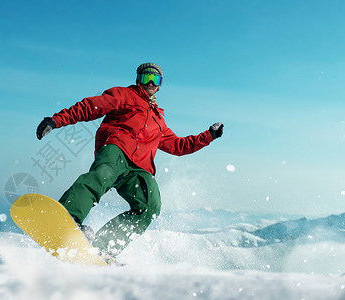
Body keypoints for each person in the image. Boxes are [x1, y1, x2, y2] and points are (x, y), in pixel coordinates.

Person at [35, 62, 223, 260]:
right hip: (117, 149)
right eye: (146, 77)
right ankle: (68, 218)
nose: (150, 82)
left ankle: (103, 247)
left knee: (150, 206)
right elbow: (91, 107)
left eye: (155, 79)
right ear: (138, 79)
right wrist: (56, 120)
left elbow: (178, 146)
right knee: (102, 175)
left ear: (160, 85)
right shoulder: (124, 95)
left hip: (140, 169)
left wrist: (209, 135)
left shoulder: (159, 121)